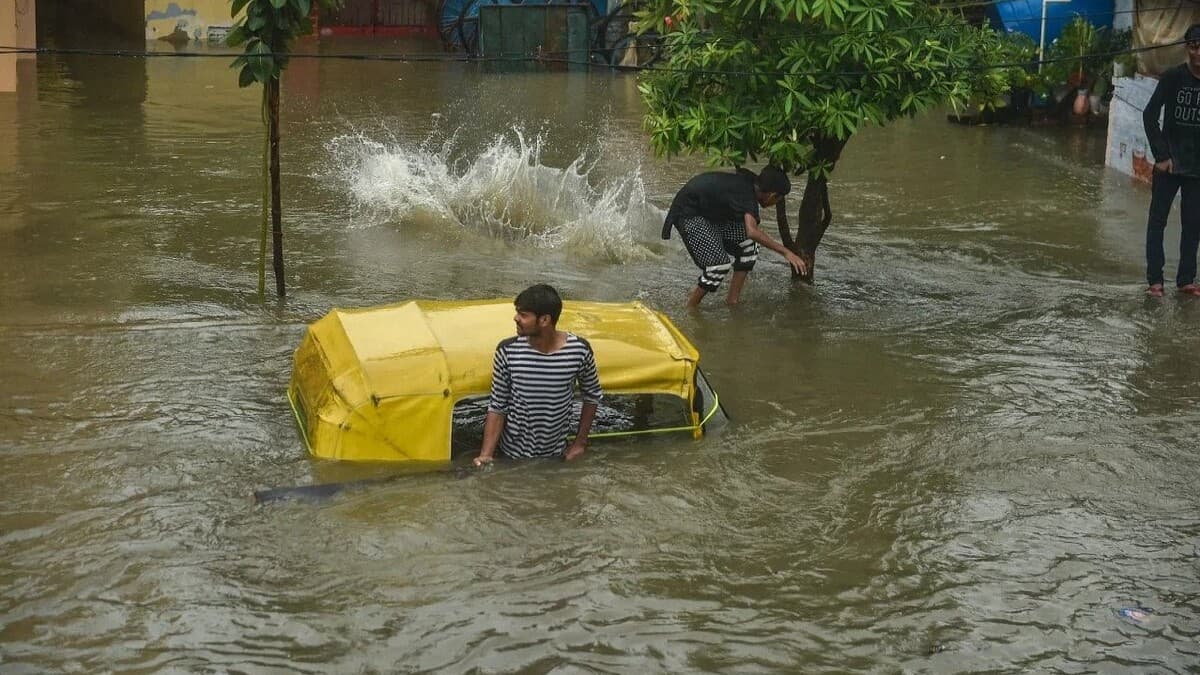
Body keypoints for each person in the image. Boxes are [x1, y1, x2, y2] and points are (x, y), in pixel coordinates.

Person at [474, 284, 603, 467]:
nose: (516, 318)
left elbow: (592, 396)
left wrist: (580, 443)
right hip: (511, 455)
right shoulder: (507, 351)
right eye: (517, 312)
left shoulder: (579, 351)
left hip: (556, 457)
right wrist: (486, 455)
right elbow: (497, 406)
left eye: (524, 315)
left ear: (544, 320)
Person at [662, 166, 809, 308]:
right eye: (778, 200)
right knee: (718, 266)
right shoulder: (748, 196)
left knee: (749, 246)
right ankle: (690, 309)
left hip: (711, 215)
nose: (774, 204)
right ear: (772, 195)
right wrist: (786, 252)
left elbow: (750, 235)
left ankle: (732, 301)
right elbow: (753, 231)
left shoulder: (749, 185)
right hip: (689, 214)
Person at [1142, 24, 1200, 298]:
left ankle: (1186, 279)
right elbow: (1149, 115)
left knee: (1193, 225)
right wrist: (1162, 156)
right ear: (1187, 48)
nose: (1199, 52)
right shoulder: (1173, 78)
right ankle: (1155, 281)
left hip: (1197, 169)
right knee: (1157, 223)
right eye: (1194, 46)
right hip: (1169, 165)